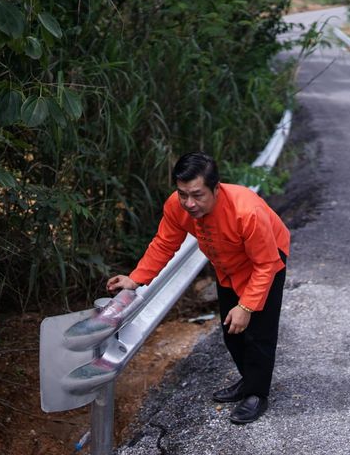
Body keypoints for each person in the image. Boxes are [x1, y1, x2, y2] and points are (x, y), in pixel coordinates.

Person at [107, 151, 290, 424]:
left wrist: (247, 306)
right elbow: (164, 243)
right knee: (232, 332)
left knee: (258, 334)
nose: (189, 203)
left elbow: (265, 264)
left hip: (266, 260)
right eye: (183, 194)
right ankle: (248, 381)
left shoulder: (246, 212)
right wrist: (135, 279)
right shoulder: (177, 205)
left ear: (216, 188)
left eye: (197, 195)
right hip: (227, 266)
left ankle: (256, 394)